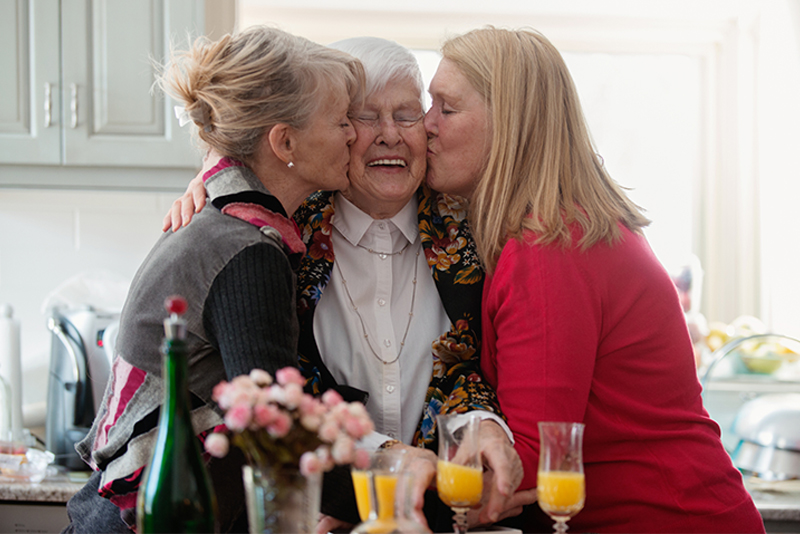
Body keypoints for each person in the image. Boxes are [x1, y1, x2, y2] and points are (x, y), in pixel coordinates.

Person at [164, 36, 536, 532]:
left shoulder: (473, 230)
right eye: (363, 117)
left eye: (407, 115)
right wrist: (213, 179)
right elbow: (271, 401)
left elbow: (472, 370)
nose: (390, 135)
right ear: (334, 131)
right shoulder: (277, 238)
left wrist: (481, 426)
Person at [423, 26, 765, 533]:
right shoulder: (570, 226)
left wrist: (389, 475)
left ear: (511, 125)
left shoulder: (547, 249)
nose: (425, 125)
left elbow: (531, 459)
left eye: (446, 109)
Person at [63, 26, 362, 533]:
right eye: (340, 121)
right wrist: (403, 488)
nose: (353, 133)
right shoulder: (247, 252)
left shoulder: (222, 219)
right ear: (284, 141)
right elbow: (275, 437)